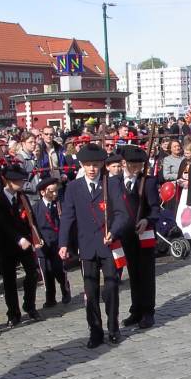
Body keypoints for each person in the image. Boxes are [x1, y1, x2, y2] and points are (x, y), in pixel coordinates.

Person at [58, 143, 130, 348]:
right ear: (82, 165)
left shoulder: (112, 184)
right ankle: (95, 330)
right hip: (87, 246)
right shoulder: (73, 187)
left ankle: (113, 327)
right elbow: (67, 218)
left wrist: (113, 231)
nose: (92, 169)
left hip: (108, 244)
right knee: (90, 291)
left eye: (95, 165)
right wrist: (63, 243)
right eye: (88, 165)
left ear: (101, 165)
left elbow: (121, 214)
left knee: (111, 288)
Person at [0, 164, 41, 326]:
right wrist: (18, 238)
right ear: (7, 181)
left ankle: (29, 305)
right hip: (7, 244)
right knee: (9, 281)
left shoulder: (22, 197)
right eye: (16, 180)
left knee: (32, 273)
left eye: (21, 180)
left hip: (25, 243)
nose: (20, 183)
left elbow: (30, 218)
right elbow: (2, 222)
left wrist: (36, 237)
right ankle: (13, 313)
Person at [119, 145, 161, 329]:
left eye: (139, 165)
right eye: (132, 165)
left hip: (145, 233)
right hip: (126, 234)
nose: (136, 169)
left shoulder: (148, 182)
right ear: (124, 164)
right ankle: (135, 310)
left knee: (146, 273)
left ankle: (147, 311)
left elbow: (155, 208)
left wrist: (147, 220)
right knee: (133, 273)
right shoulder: (115, 182)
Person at [33, 177, 71, 308]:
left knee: (58, 270)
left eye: (56, 191)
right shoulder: (36, 208)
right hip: (43, 245)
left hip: (57, 243)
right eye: (51, 191)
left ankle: (65, 290)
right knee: (46, 272)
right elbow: (33, 226)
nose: (54, 194)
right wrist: (36, 239)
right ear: (43, 192)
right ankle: (50, 297)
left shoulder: (60, 205)